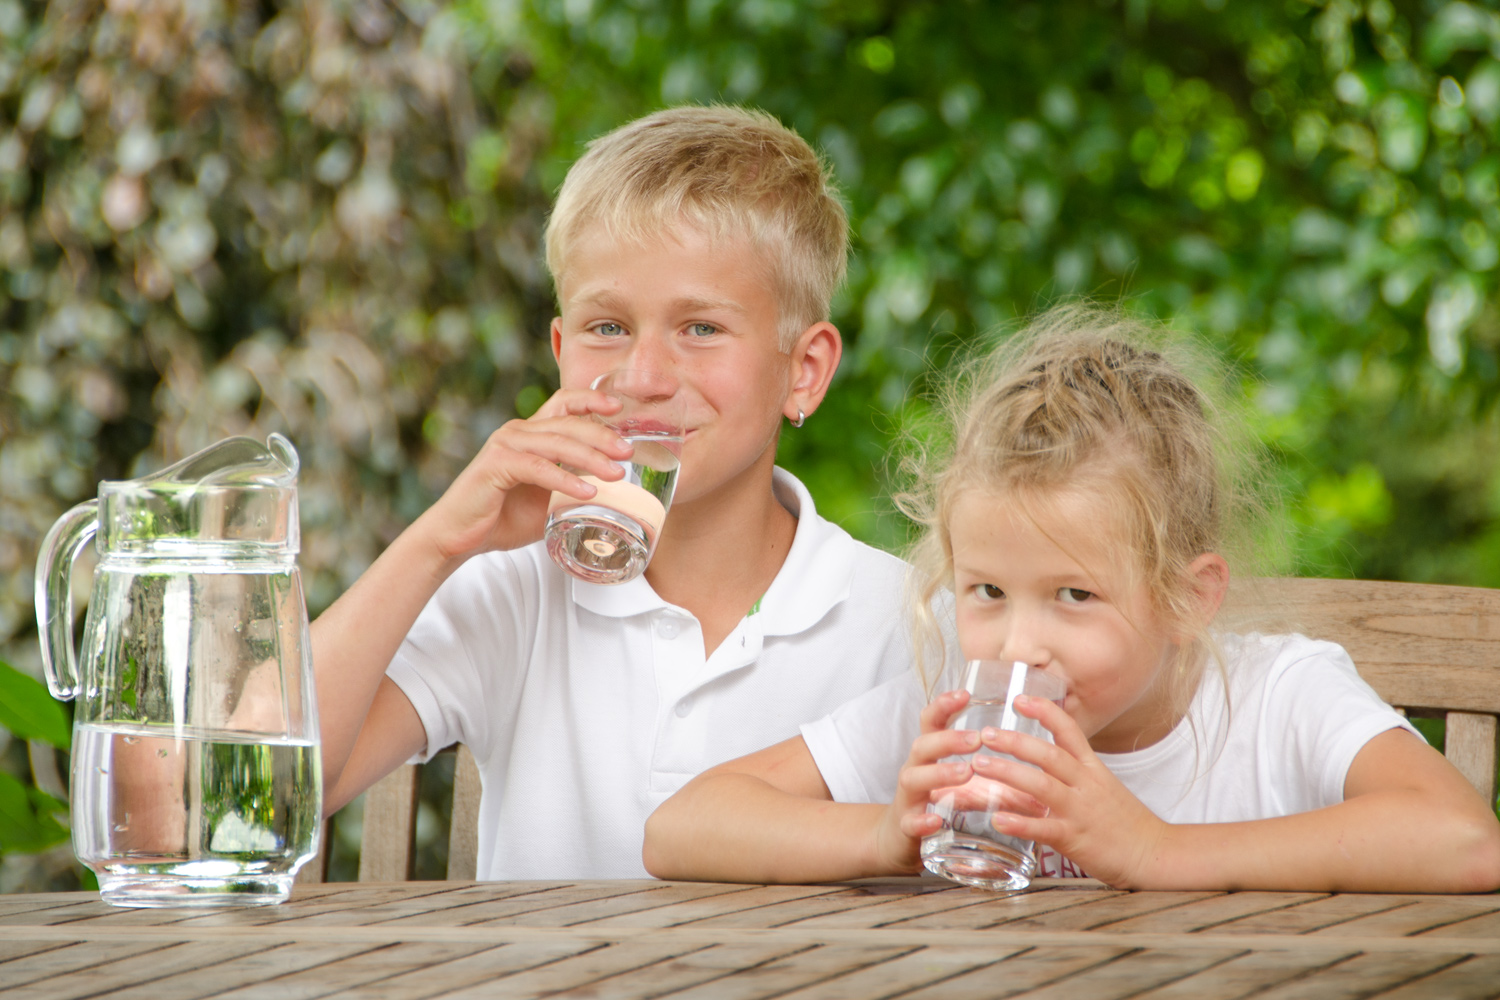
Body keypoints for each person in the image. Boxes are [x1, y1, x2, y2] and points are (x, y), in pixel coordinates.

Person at [643, 305, 1500, 892]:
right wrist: (883, 836)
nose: (1017, 645)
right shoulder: (952, 719)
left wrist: (1155, 850)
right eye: (986, 591)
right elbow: (680, 829)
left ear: (1188, 597)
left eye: (1074, 595)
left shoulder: (1281, 700)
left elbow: (1465, 841)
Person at [310, 105, 918, 879]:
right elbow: (261, 794)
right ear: (561, 350)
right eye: (607, 328)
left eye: (700, 329)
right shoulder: (515, 590)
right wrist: (439, 541)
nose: (643, 379)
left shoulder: (906, 625)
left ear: (804, 371)